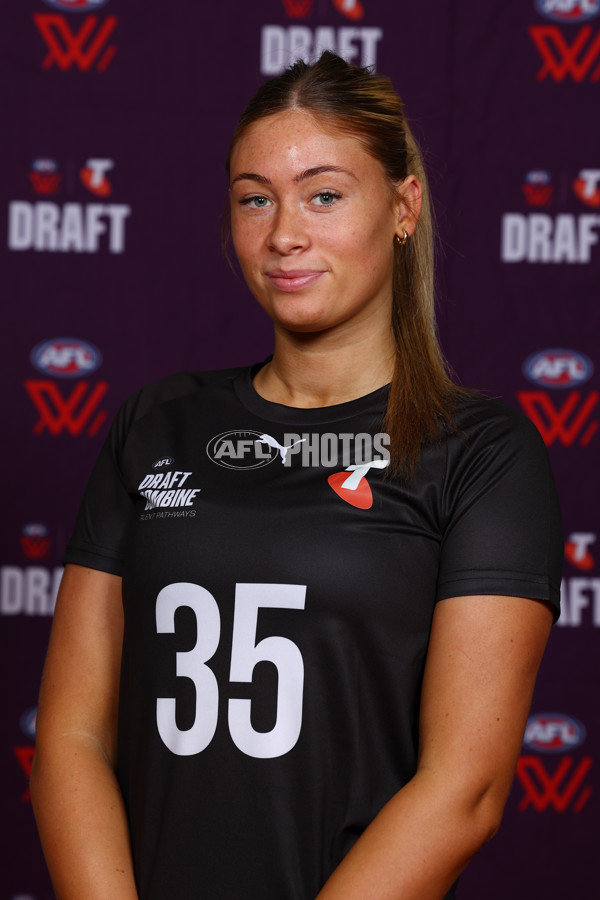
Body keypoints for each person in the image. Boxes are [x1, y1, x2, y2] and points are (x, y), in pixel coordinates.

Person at [30, 52, 563, 900]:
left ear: (403, 204)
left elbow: (466, 792)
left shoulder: (479, 451)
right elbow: (71, 738)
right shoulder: (155, 424)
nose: (284, 233)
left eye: (324, 194)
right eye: (255, 198)